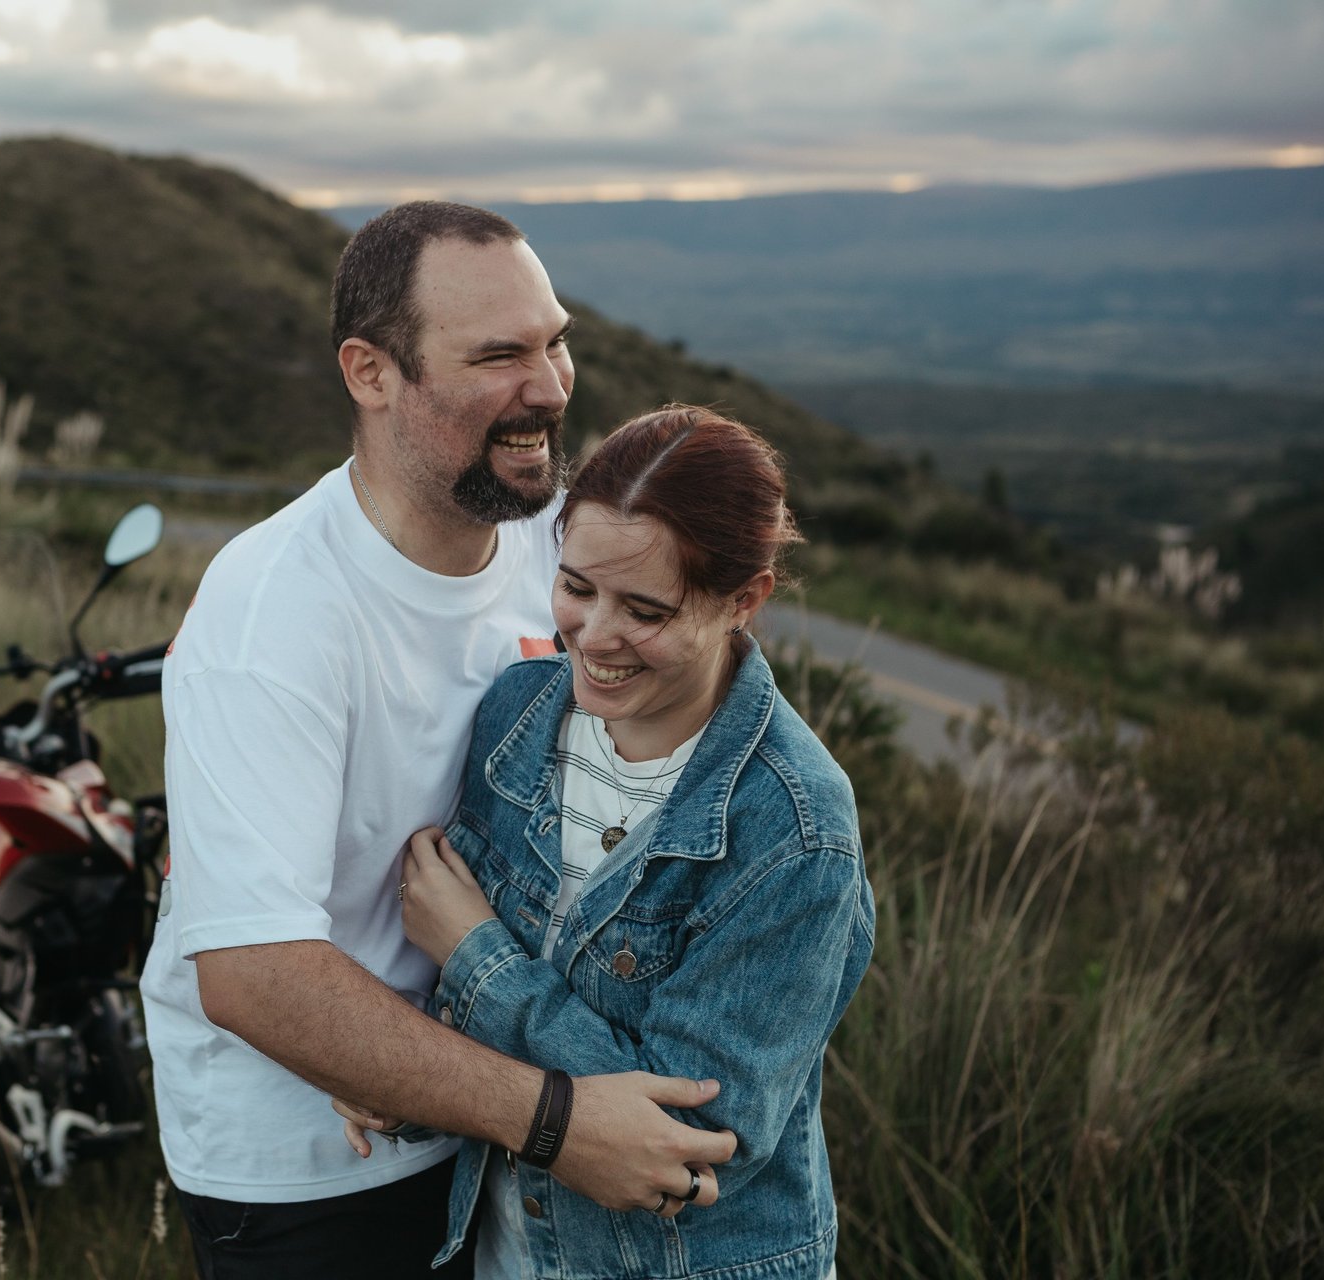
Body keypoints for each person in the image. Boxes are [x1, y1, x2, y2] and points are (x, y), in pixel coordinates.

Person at [138, 205, 738, 1279]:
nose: (550, 387)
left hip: (495, 1099)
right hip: (320, 1167)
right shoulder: (273, 615)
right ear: (371, 373)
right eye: (500, 355)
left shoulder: (557, 549)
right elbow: (254, 974)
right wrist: (558, 1120)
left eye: (556, 342)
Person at [343, 405, 875, 1278]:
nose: (593, 637)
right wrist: (406, 1083)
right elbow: (475, 1037)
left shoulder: (794, 828)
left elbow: (692, 1143)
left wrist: (476, 955)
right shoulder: (515, 716)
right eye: (577, 588)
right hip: (507, 1250)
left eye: (646, 610)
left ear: (744, 601)